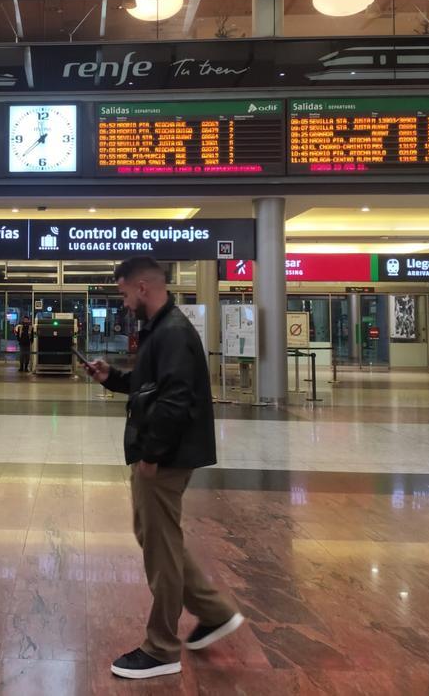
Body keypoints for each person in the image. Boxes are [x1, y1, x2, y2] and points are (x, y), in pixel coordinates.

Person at [82, 256, 243, 680]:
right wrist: (112, 378)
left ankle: (161, 648)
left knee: (159, 547)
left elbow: (175, 400)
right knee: (156, 536)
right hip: (164, 452)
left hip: (166, 457)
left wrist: (152, 454)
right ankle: (214, 611)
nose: (122, 303)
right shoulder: (162, 329)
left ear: (141, 287)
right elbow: (152, 384)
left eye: (122, 294)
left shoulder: (171, 332)